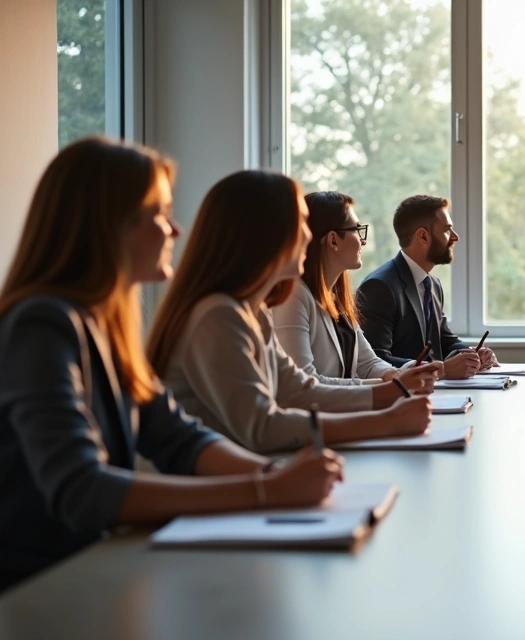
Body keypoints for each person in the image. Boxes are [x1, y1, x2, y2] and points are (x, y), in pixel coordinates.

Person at [0, 139, 342, 592]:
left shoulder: (102, 327)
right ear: (110, 226)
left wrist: (272, 476)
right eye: (159, 214)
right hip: (37, 591)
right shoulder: (41, 325)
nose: (176, 230)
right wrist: (266, 493)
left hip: (92, 574)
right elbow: (81, 489)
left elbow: (180, 438)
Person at [146, 171, 432, 454]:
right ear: (268, 236)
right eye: (300, 224)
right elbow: (263, 426)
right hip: (212, 486)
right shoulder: (217, 315)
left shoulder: (253, 312)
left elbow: (296, 390)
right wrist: (385, 420)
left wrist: (395, 391)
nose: (308, 236)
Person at [273, 191, 442, 390]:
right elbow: (303, 384)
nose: (363, 241)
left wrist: (404, 372)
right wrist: (393, 386)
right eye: (357, 230)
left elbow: (367, 363)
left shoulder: (336, 297)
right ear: (333, 240)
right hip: (317, 418)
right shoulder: (294, 297)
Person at [356, 194, 494, 378]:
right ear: (423, 236)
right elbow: (375, 360)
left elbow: (445, 341)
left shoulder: (433, 284)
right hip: (403, 398)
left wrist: (472, 355)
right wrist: (441, 370)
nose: (455, 237)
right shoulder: (379, 287)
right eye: (447, 230)